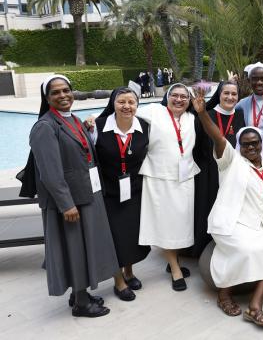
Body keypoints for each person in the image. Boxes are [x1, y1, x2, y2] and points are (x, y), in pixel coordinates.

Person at [192, 89, 263, 328]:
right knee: (245, 250)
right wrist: (203, 114)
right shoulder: (231, 162)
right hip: (232, 222)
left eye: (255, 143)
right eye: (246, 144)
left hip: (262, 223)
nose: (251, 148)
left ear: (261, 144)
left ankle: (255, 307)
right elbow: (218, 138)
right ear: (239, 146)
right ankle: (224, 294)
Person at [27, 75, 119, 317]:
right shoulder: (44, 127)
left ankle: (79, 293)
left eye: (66, 90)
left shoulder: (74, 120)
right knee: (75, 249)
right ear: (47, 98)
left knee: (82, 246)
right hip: (69, 202)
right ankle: (80, 302)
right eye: (55, 92)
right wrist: (66, 204)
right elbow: (49, 172)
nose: (63, 96)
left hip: (86, 194)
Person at [87, 87, 151, 301]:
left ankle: (129, 272)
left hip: (134, 190)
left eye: (131, 102)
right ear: (113, 104)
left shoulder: (144, 126)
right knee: (114, 237)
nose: (126, 106)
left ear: (137, 105)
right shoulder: (97, 126)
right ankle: (118, 281)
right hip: (108, 192)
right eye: (121, 101)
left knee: (131, 235)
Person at [136, 83, 200, 291]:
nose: (179, 100)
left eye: (184, 97)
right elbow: (124, 109)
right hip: (159, 177)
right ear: (168, 96)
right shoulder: (155, 111)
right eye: (175, 95)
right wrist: (94, 120)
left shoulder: (192, 119)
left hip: (184, 177)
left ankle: (173, 261)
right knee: (166, 224)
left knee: (181, 223)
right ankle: (175, 269)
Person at [191, 80, 246, 257]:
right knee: (207, 208)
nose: (230, 97)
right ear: (219, 95)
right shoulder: (205, 114)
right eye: (226, 93)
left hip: (232, 172)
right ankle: (203, 251)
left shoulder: (240, 114)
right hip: (208, 172)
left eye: (234, 94)